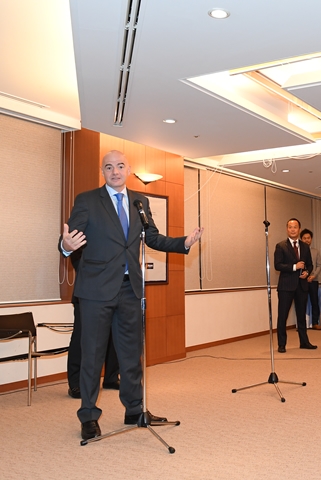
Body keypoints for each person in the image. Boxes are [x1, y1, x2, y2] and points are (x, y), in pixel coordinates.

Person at [59, 150, 204, 441]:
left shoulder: (141, 200)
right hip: (96, 291)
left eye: (120, 166)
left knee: (131, 355)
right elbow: (70, 239)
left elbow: (151, 237)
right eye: (109, 167)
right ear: (103, 172)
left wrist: (183, 243)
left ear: (128, 170)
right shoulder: (88, 200)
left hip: (130, 289)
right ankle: (88, 415)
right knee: (92, 355)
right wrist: (65, 246)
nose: (115, 171)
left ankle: (135, 409)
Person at [67, 251, 120, 399]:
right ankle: (76, 383)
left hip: (113, 291)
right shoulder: (84, 228)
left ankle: (111, 377)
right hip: (87, 292)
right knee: (81, 338)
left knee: (112, 336)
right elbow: (77, 260)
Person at [274, 218, 318, 350]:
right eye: (290, 227)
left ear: (299, 229)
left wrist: (306, 272)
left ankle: (304, 342)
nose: (293, 229)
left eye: (295, 227)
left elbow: (309, 264)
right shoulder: (280, 245)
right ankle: (282, 344)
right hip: (286, 286)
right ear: (287, 229)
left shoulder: (305, 246)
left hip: (301, 285)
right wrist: (294, 266)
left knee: (301, 315)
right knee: (283, 315)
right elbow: (278, 265)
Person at [300, 229, 321, 330]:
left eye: (308, 238)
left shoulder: (315, 251)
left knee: (314, 302)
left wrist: (313, 276)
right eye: (304, 238)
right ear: (301, 239)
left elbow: (319, 265)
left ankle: (315, 323)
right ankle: (301, 325)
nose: (306, 240)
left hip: (313, 280)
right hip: (301, 280)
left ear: (311, 239)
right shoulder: (298, 251)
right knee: (301, 303)